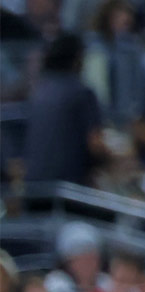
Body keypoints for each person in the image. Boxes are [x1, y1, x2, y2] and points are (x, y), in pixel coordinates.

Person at [20, 34, 105, 187]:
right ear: (78, 58)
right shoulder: (82, 93)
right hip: (68, 194)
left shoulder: (38, 92)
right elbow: (96, 146)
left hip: (33, 193)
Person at [43, 221, 110, 292]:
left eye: (93, 259)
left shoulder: (108, 285)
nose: (88, 265)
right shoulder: (56, 286)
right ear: (69, 263)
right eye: (83, 260)